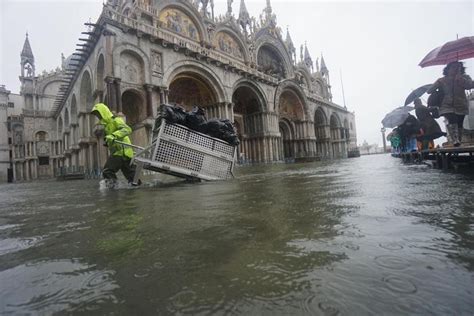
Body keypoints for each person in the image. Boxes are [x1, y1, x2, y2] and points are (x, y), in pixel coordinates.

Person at [91, 103, 140, 187]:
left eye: (99, 114)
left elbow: (127, 129)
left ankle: (113, 189)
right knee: (133, 179)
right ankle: (141, 188)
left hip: (121, 152)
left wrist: (113, 135)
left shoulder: (116, 120)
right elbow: (113, 138)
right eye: (97, 115)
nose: (98, 116)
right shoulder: (107, 126)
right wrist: (108, 142)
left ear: (104, 112)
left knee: (107, 171)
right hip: (124, 154)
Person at [427, 61, 474, 147]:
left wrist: (461, 79)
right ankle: (455, 140)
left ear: (461, 69)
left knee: (460, 123)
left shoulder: (465, 77)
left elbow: (470, 85)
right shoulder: (442, 80)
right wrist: (437, 87)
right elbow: (429, 91)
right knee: (452, 119)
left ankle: (458, 140)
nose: (455, 69)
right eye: (453, 67)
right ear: (448, 69)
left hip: (461, 104)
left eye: (458, 67)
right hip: (446, 105)